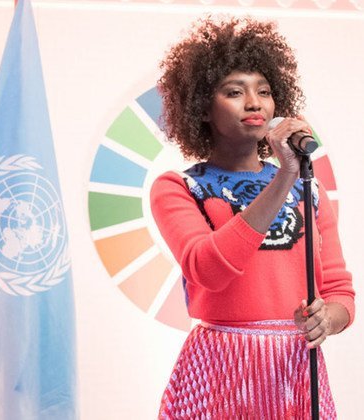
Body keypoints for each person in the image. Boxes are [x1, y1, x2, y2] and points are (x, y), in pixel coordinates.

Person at [151, 16, 355, 418]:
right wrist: (284, 177)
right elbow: (207, 268)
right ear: (202, 109)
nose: (254, 103)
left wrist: (326, 321)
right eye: (234, 91)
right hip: (221, 366)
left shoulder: (309, 190)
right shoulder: (179, 187)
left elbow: (338, 289)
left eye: (263, 91)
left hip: (295, 368)